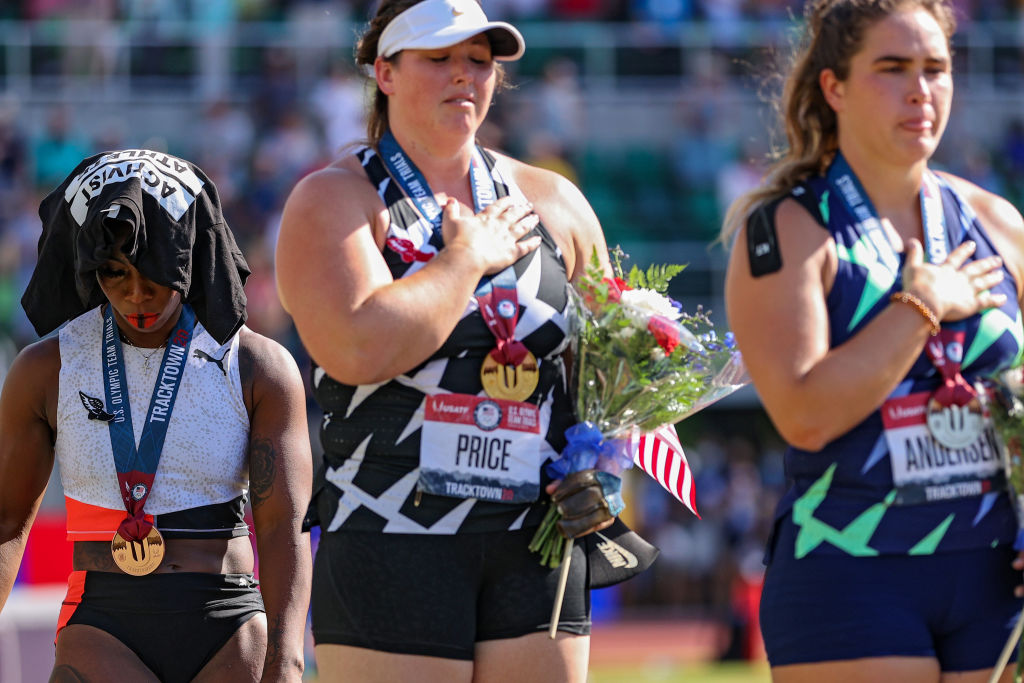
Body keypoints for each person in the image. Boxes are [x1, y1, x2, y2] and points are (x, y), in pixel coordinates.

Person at [274, 0, 627, 680]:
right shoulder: (334, 200)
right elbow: (357, 346)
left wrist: (607, 464)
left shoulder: (551, 199)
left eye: (479, 61)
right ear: (385, 72)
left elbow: (615, 365)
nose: (464, 76)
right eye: (439, 58)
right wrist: (465, 259)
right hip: (392, 533)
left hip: (536, 540)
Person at [722, 2, 1024, 681]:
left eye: (936, 69)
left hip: (995, 573)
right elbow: (805, 412)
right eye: (892, 69)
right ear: (835, 88)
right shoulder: (789, 229)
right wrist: (919, 306)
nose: (920, 90)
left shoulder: (998, 222)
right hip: (852, 568)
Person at [0, 149, 313, 682]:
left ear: (189, 256)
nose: (137, 294)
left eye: (155, 273)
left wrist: (286, 659)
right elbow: (5, 521)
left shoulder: (259, 367)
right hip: (102, 626)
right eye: (114, 273)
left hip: (229, 624)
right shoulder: (45, 369)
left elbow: (284, 525)